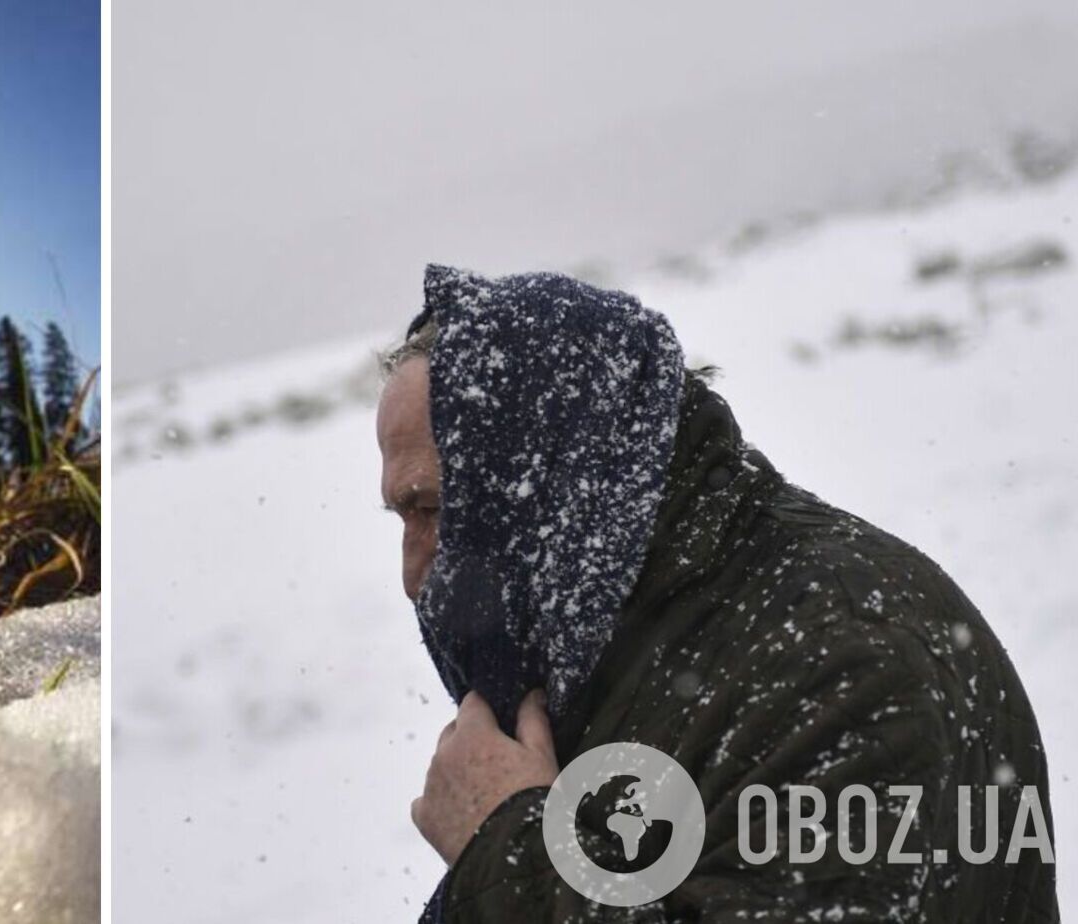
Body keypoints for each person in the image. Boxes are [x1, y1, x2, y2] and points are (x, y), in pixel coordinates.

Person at [380, 265, 1057, 922]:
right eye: (402, 517)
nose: (415, 575)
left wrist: (505, 846)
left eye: (433, 510)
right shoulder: (620, 646)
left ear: (555, 474)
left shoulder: (843, 658)